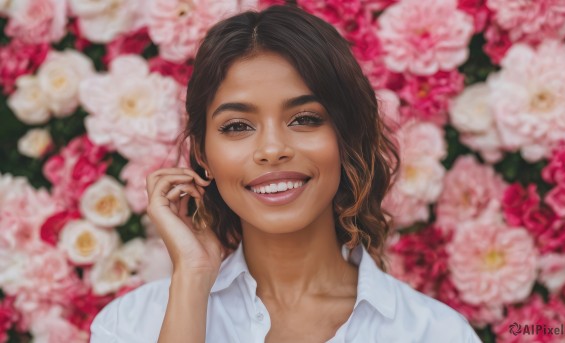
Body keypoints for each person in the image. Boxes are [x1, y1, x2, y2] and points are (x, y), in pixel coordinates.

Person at [90, 5, 482, 343]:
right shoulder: (131, 325)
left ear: (345, 136)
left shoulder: (434, 333)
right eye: (237, 126)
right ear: (202, 153)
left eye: (305, 119)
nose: (273, 149)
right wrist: (192, 279)